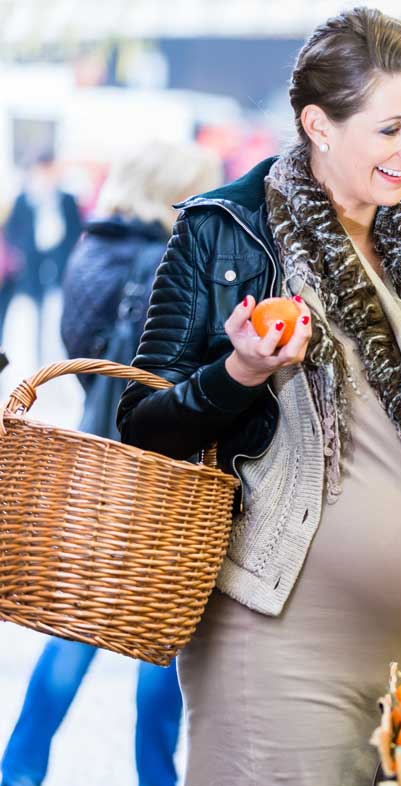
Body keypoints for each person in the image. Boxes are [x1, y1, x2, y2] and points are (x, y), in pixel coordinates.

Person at [116, 8, 401, 786]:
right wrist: (243, 370)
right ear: (319, 126)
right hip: (279, 649)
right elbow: (142, 429)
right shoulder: (228, 232)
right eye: (391, 129)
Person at [0, 142, 222, 786]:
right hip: (150, 470)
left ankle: (20, 767)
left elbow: (79, 345)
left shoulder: (94, 246)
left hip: (95, 463)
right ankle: (156, 776)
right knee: (160, 629)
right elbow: (160, 373)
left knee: (78, 616)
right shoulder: (161, 261)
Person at [2, 151, 82, 358]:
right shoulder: (24, 199)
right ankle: (37, 355)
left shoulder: (66, 199)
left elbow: (75, 228)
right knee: (33, 313)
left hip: (59, 262)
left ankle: (57, 358)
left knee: (58, 312)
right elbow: (14, 231)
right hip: (33, 264)